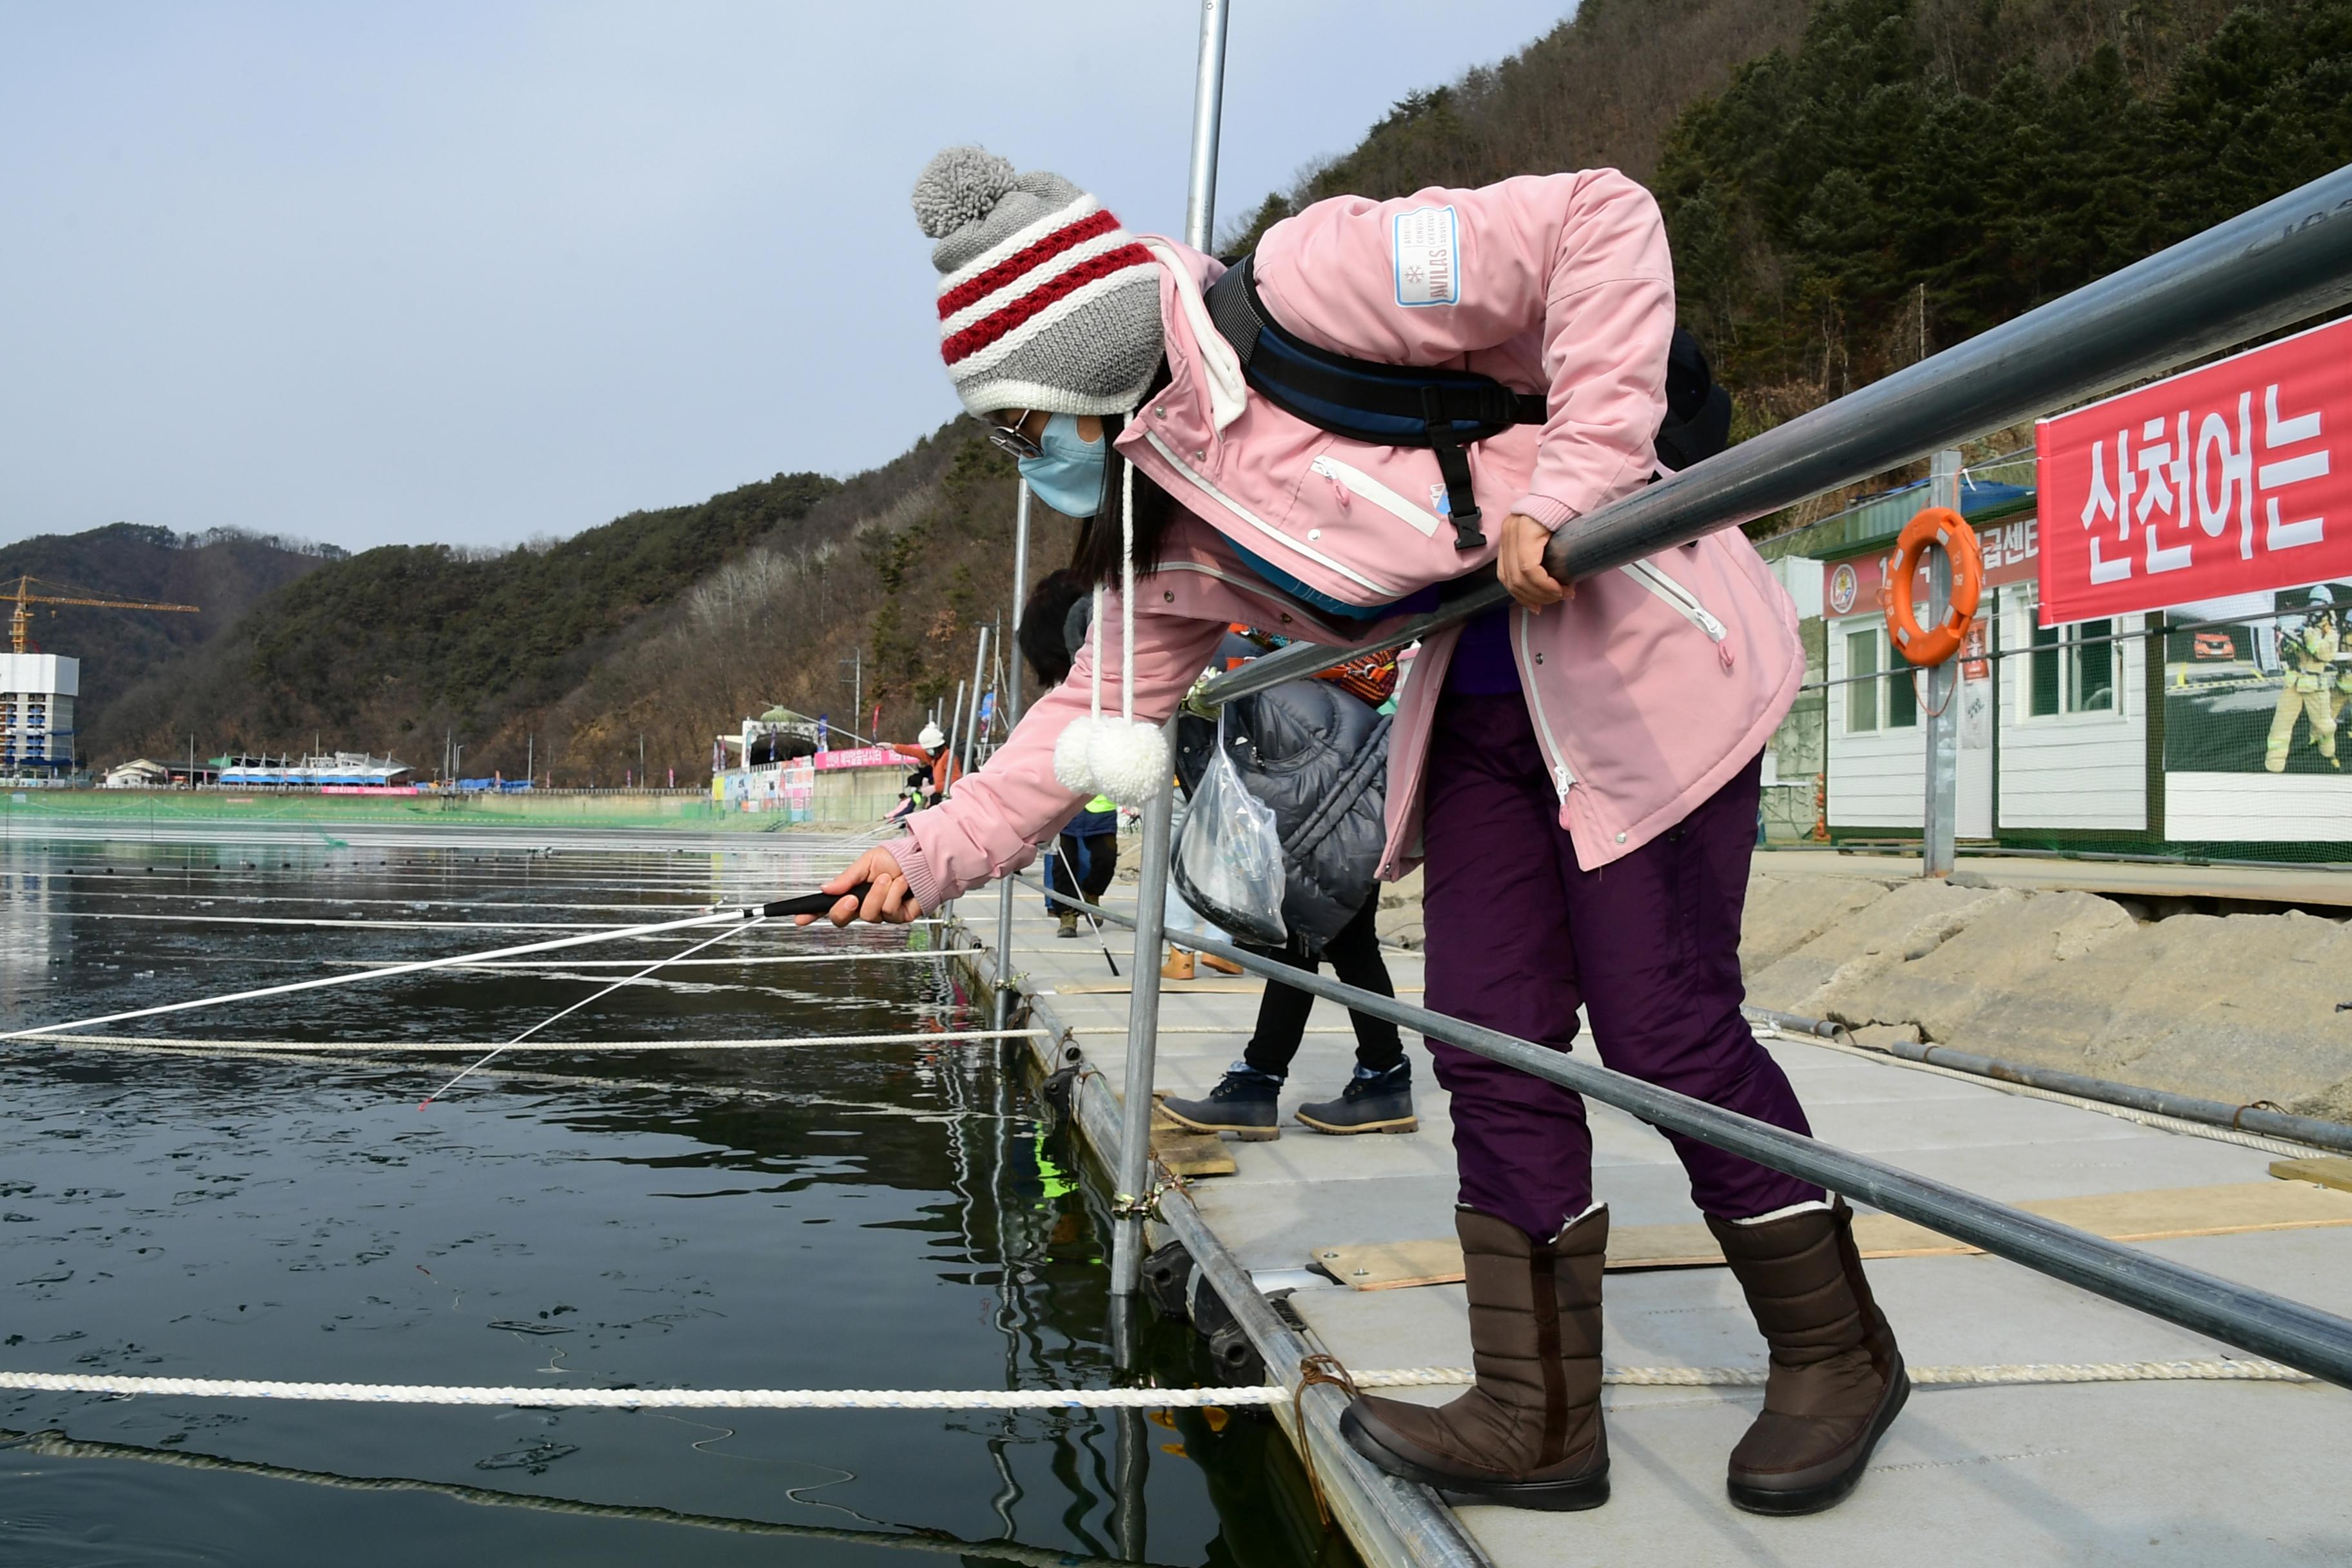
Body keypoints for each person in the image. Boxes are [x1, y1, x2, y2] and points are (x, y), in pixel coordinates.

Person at [809, 146, 1902, 1516]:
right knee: (1489, 1039)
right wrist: (922, 857)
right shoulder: (1169, 527)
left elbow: (1599, 220)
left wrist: (1575, 478)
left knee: (1663, 1022)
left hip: (1643, 667)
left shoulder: (1314, 281)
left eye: (1025, 427)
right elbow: (1082, 716)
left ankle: (1836, 1353)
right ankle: (1535, 1411)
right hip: (1483, 727)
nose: (1030, 462)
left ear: (1083, 357)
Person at [2267, 589, 2342, 772]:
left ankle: (2327, 754)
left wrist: (2308, 635)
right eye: (2312, 604)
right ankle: (2274, 766)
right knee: (2281, 724)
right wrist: (2289, 643)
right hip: (2295, 682)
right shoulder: (2303, 624)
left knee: (2324, 725)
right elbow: (2292, 652)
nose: (2314, 609)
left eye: (2319, 605)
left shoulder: (2331, 632)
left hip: (2315, 685)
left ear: (2327, 608)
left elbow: (2325, 655)